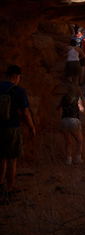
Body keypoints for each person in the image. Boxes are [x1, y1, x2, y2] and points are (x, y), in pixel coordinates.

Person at [0, 65, 36, 197]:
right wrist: (31, 127)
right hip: (12, 128)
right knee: (11, 159)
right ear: (16, 76)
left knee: (1, 158)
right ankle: (9, 187)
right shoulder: (18, 91)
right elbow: (25, 112)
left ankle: (0, 185)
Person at [56, 82, 85, 165]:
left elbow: (58, 109)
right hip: (74, 120)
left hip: (64, 120)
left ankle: (68, 160)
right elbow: (81, 109)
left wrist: (60, 119)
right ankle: (78, 158)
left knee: (68, 142)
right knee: (79, 141)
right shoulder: (77, 98)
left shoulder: (64, 97)